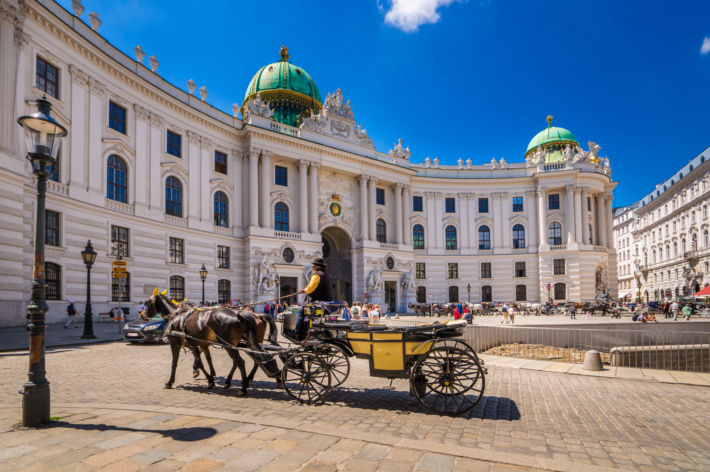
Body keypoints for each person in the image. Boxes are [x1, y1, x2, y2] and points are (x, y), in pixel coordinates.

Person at [290, 257, 331, 339]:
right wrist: (306, 290)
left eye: (314, 265)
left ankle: (297, 333)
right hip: (325, 302)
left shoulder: (316, 275)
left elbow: (310, 288)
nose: (312, 267)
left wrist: (305, 290)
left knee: (300, 312)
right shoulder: (326, 275)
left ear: (317, 266)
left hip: (316, 302)